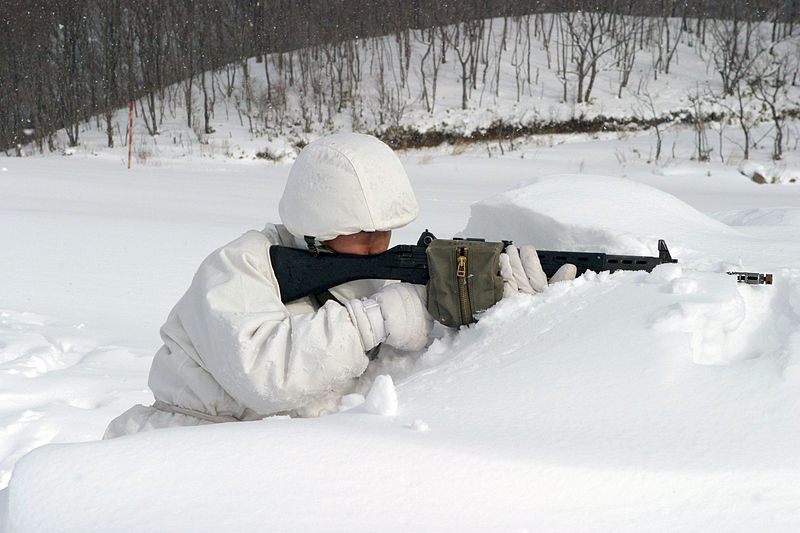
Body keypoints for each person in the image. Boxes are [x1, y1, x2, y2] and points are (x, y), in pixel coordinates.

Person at [104, 132, 573, 438]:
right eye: (360, 230)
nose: (375, 244)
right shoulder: (241, 264)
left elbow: (377, 385)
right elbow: (265, 377)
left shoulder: (373, 267)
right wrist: (380, 317)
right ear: (315, 222)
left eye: (384, 230)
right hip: (183, 446)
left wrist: (484, 313)